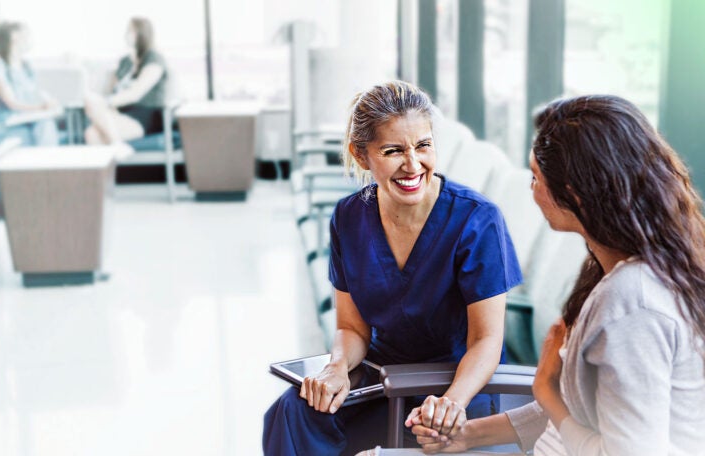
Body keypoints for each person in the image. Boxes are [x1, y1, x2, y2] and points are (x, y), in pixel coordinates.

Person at [405, 95, 705, 455]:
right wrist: (470, 435)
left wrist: (547, 393)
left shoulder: (633, 306)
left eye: (535, 177)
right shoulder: (621, 271)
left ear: (575, 194)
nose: (530, 189)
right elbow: (589, 413)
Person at [262, 81, 523, 455]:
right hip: (385, 379)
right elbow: (352, 328)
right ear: (361, 154)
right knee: (295, 411)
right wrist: (336, 368)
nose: (413, 165)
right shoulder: (349, 217)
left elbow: (486, 341)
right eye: (393, 150)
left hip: (461, 384)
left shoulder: (477, 220)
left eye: (423, 145)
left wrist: (451, 402)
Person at [83, 17, 169, 145]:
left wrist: (106, 103)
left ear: (142, 33)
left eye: (131, 31)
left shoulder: (154, 59)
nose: (127, 35)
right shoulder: (125, 62)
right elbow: (111, 90)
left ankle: (116, 143)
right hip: (120, 112)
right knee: (91, 132)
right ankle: (117, 145)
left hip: (144, 115)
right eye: (127, 31)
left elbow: (136, 93)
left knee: (94, 131)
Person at [0, 21, 59, 147]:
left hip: (27, 120)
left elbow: (35, 94)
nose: (26, 41)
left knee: (46, 125)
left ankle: (50, 164)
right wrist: (41, 107)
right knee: (33, 132)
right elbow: (11, 103)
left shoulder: (26, 67)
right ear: (12, 40)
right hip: (5, 126)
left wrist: (47, 102)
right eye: (23, 37)